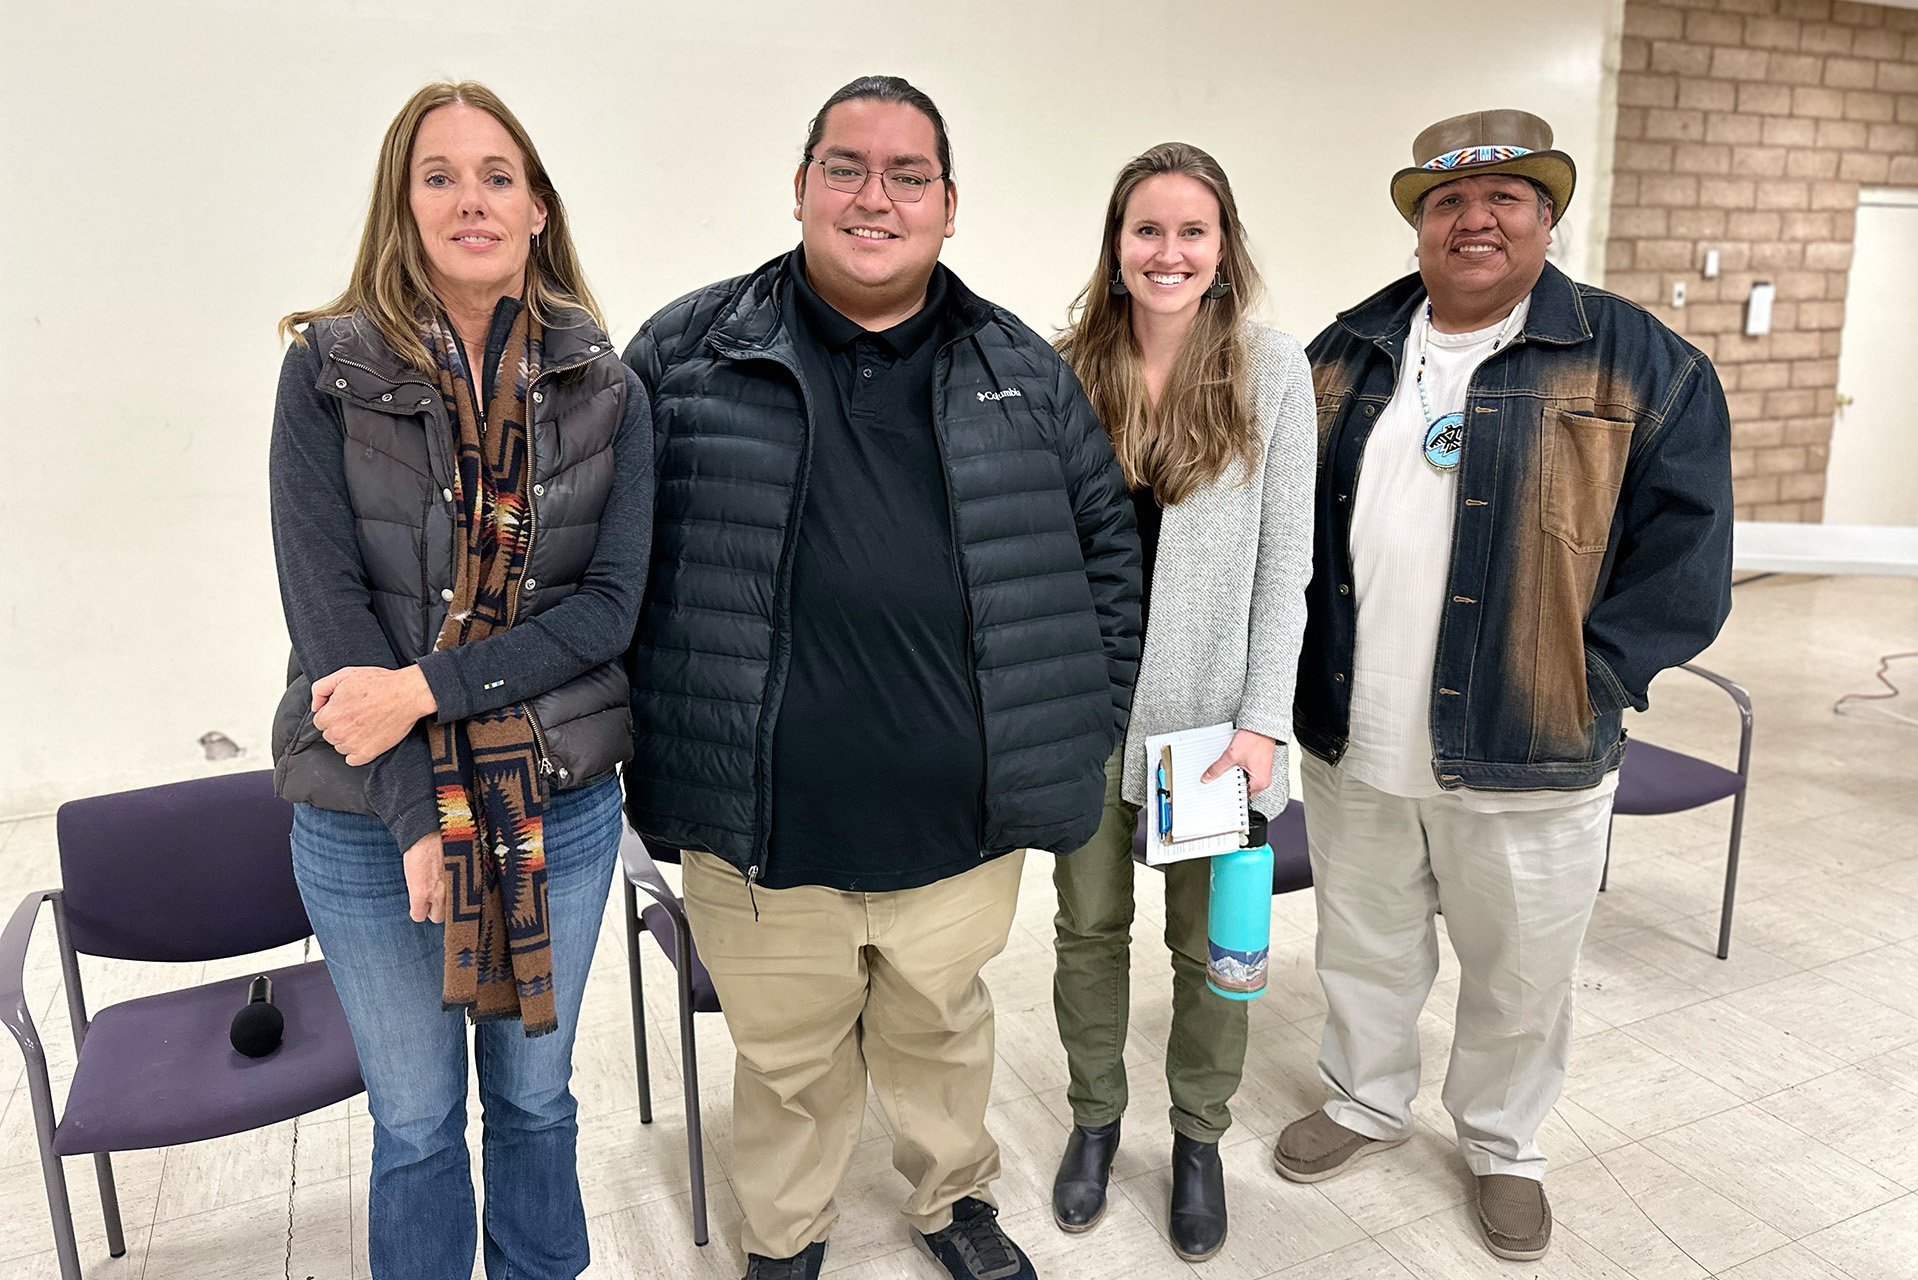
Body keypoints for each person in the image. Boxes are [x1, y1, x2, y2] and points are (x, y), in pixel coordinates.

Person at [621, 75, 1139, 1280]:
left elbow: (1105, 557)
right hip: (760, 828)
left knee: (943, 1029)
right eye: (846, 167)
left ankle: (951, 1197)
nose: (876, 196)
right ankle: (787, 1235)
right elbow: (612, 566)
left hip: (958, 827)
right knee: (787, 1059)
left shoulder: (1020, 367)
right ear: (801, 186)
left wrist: (1077, 729)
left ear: (949, 205)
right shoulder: (687, 354)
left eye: (909, 175)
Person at [1275, 109, 1733, 1261]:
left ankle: (1501, 1143)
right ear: (1420, 223)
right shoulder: (1342, 351)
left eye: (1506, 199)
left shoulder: (1641, 362)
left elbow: (1688, 551)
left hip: (1531, 736)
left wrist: (1597, 673)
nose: (1474, 219)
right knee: (1365, 939)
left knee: (1521, 965)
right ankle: (1367, 1096)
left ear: (1545, 217)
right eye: (1447, 203)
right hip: (1354, 725)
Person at [269, 80, 651, 1280]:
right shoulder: (325, 371)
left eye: (498, 175)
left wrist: (430, 689)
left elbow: (606, 611)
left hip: (556, 804)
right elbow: (328, 611)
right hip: (365, 815)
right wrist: (415, 812)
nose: (471, 198)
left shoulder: (609, 385)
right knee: (419, 1120)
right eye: (440, 174)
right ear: (404, 202)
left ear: (538, 207)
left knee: (537, 1101)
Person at [1046, 142, 1314, 1262]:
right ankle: (1097, 1119)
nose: (1169, 251)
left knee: (1212, 949)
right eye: (1146, 230)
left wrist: (1263, 722)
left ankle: (1198, 1136)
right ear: (1116, 247)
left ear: (1223, 246)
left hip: (1214, 725)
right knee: (1087, 930)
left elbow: (1286, 563)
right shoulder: (1066, 367)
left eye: (1191, 231)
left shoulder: (1272, 368)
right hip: (1088, 713)